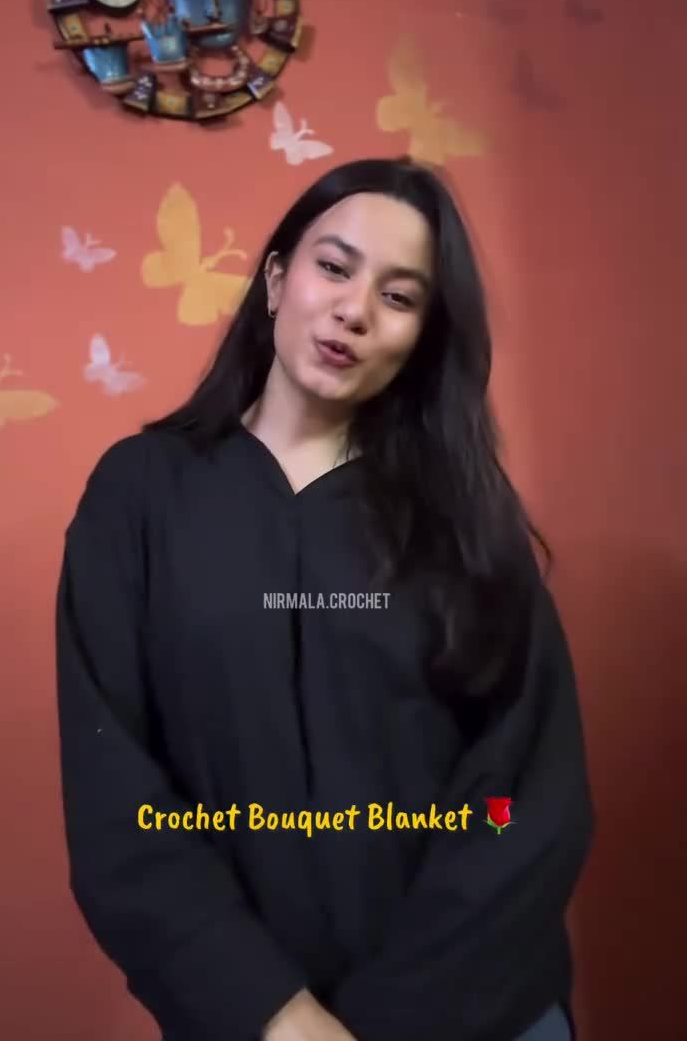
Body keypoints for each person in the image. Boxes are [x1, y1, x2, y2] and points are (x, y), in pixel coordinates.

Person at [55, 157, 594, 1041]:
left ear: (422, 337)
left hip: (477, 1014)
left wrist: (392, 1020)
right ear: (277, 280)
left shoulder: (468, 514)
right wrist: (274, 1013)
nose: (354, 310)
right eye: (334, 267)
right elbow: (118, 800)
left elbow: (529, 798)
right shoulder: (140, 494)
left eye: (400, 296)